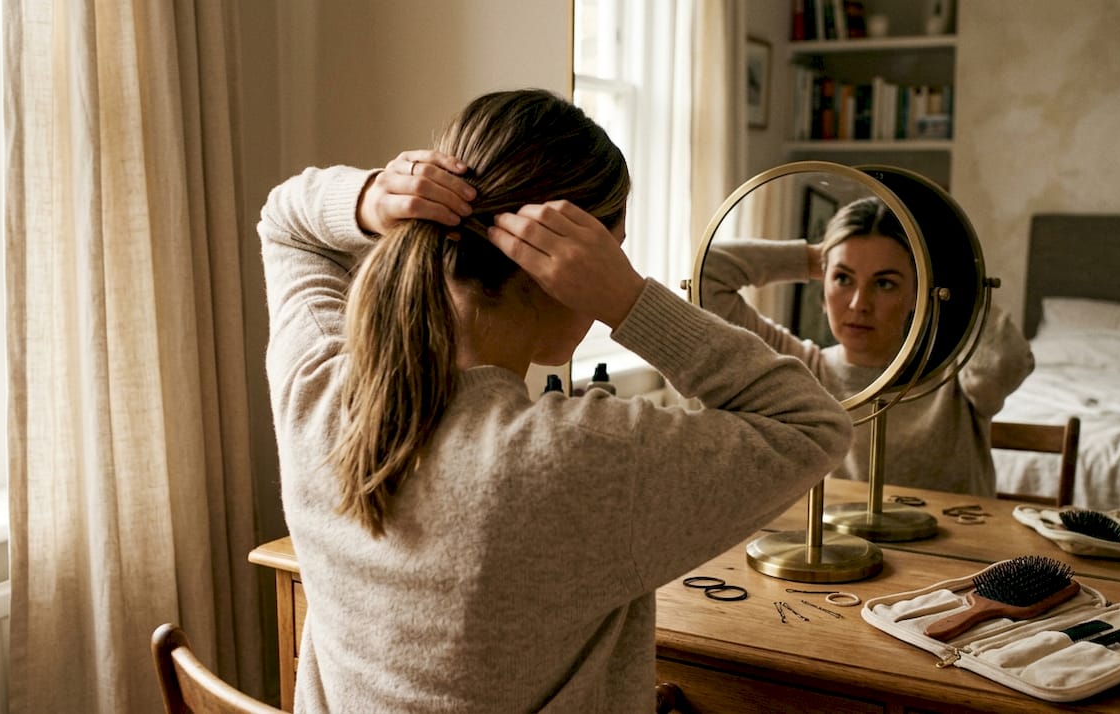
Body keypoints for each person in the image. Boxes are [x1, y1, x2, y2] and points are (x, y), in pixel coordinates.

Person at [258, 89, 852, 713]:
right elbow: (811, 424)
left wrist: (371, 196)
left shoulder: (318, 392)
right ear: (565, 266)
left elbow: (286, 224)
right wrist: (629, 300)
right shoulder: (577, 459)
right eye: (613, 251)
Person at [701, 196, 1034, 497]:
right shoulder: (798, 369)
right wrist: (817, 258)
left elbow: (1008, 362)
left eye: (884, 283)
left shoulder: (955, 377)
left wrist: (952, 281)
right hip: (832, 546)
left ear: (917, 294)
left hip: (957, 546)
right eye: (843, 279)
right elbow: (706, 276)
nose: (859, 304)